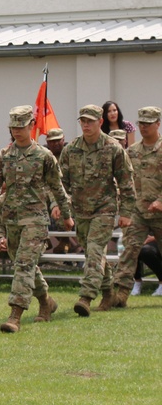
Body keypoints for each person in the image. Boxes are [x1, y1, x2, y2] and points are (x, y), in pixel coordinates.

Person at [0, 106, 73, 333]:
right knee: (26, 266)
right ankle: (46, 302)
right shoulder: (4, 156)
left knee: (23, 265)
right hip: (12, 220)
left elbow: (57, 187)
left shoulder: (44, 156)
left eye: (20, 126)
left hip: (35, 220)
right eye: (13, 127)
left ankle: (15, 314)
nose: (16, 131)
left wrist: (66, 214)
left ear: (31, 126)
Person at [59, 104, 135, 315]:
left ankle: (86, 296)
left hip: (105, 208)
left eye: (90, 121)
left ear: (100, 122)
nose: (86, 125)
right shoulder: (71, 149)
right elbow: (61, 182)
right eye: (82, 121)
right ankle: (109, 292)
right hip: (81, 210)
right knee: (93, 254)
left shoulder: (113, 148)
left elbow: (126, 182)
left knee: (94, 250)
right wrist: (60, 205)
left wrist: (127, 212)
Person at [112, 107, 162, 307]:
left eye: (148, 123)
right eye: (141, 123)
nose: (144, 127)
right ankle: (120, 294)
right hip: (138, 212)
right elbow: (125, 182)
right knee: (130, 250)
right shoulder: (132, 152)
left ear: (158, 124)